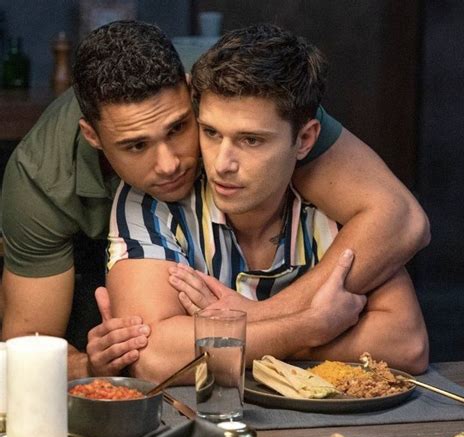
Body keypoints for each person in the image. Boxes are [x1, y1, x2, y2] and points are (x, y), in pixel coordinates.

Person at [1, 21, 429, 379]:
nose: (170, 164)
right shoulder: (42, 178)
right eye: (135, 146)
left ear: (191, 95)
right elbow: (35, 351)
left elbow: (402, 222)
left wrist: (252, 319)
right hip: (114, 275)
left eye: (180, 129)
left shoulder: (243, 95)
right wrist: (307, 328)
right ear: (93, 138)